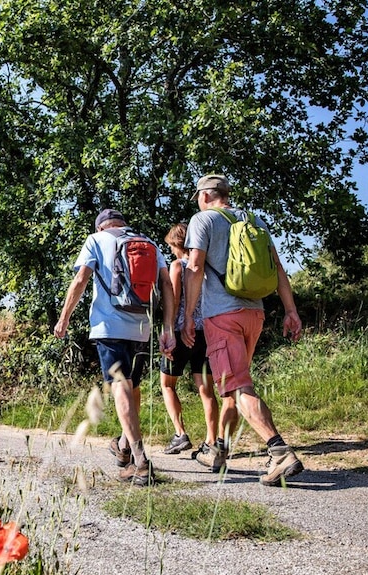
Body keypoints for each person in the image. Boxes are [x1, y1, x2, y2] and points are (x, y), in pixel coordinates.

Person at [181, 174, 305, 486]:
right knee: (234, 385)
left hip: (222, 315)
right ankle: (219, 450)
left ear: (205, 196)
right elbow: (278, 269)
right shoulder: (255, 221)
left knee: (237, 387)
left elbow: (194, 267)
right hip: (254, 313)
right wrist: (290, 311)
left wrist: (188, 316)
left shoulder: (203, 219)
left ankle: (279, 451)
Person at [54, 208, 176, 486]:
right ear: (122, 223)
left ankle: (140, 461)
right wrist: (167, 328)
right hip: (142, 329)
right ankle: (123, 445)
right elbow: (167, 285)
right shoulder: (148, 243)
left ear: (101, 227)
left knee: (120, 385)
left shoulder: (96, 240)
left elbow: (81, 279)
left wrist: (64, 318)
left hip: (109, 327)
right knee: (132, 387)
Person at [159, 223, 220, 455]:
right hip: (205, 333)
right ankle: (211, 440)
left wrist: (169, 330)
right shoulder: (206, 268)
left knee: (167, 384)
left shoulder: (178, 266)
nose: (171, 250)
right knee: (206, 389)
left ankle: (180, 433)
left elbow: (174, 301)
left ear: (177, 244)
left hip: (181, 332)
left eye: (171, 246)